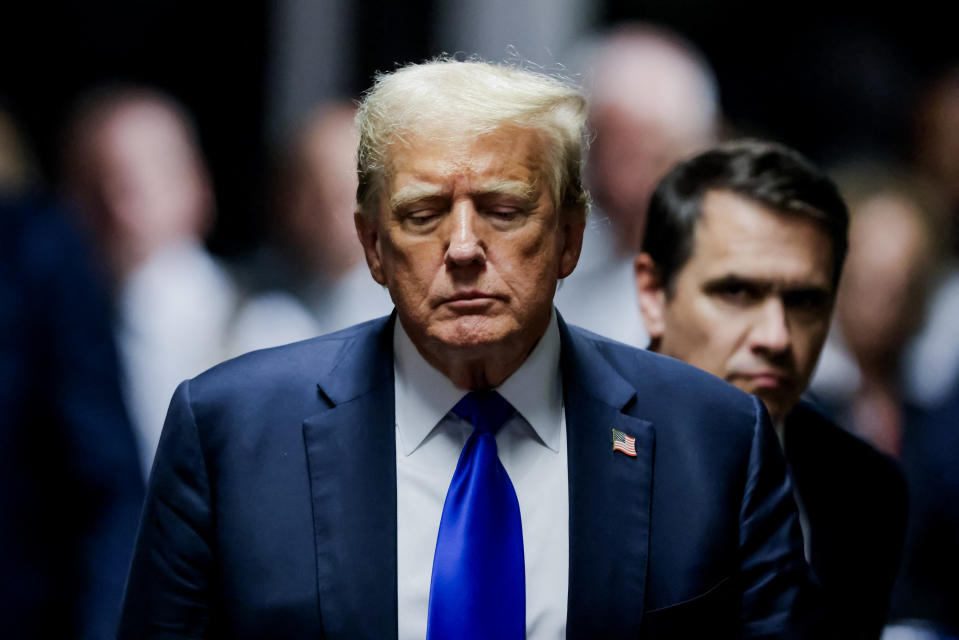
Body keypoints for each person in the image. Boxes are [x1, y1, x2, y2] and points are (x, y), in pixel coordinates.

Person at [120, 60, 818, 639]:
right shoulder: (230, 435)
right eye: (422, 214)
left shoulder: (714, 440)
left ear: (570, 237)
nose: (461, 249)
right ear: (372, 246)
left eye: (504, 210)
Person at [635, 139, 907, 639]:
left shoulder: (866, 490)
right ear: (653, 293)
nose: (776, 337)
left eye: (805, 301)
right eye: (737, 292)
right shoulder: (571, 451)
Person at [61, 87, 240, 476]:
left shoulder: (263, 330)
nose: (117, 210)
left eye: (135, 185)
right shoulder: (53, 332)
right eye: (95, 187)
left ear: (197, 186)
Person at [553, 23, 720, 346]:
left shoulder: (721, 286)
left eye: (642, 152)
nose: (613, 177)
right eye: (599, 147)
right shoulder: (569, 265)